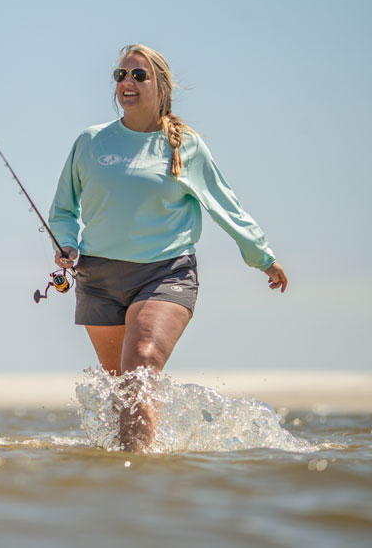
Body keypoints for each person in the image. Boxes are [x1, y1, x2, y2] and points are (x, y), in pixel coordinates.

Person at [48, 43, 288, 451]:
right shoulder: (90, 142)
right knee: (120, 389)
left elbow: (225, 205)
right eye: (121, 75)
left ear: (161, 87)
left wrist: (262, 256)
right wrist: (67, 245)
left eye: (138, 75)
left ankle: (137, 470)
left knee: (141, 363)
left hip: (165, 273)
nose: (128, 82)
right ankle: (127, 467)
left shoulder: (186, 146)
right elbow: (64, 211)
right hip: (98, 278)